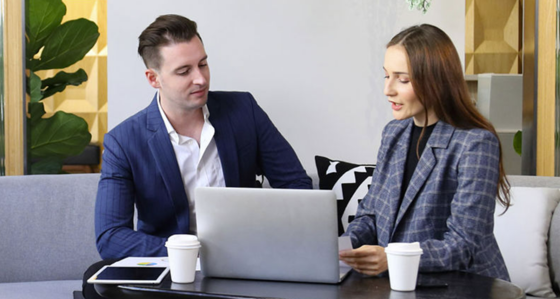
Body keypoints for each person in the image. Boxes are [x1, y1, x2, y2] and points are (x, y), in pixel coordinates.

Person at [83, 14, 311, 298]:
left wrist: (266, 241)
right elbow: (110, 235)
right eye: (184, 71)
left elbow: (297, 188)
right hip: (172, 267)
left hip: (247, 260)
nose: (200, 78)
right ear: (154, 78)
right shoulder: (124, 141)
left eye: (203, 63)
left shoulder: (244, 110)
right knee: (94, 281)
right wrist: (190, 252)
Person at [339, 24, 511, 281]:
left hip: (465, 287)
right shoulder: (393, 133)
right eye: (387, 76)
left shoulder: (475, 143)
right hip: (401, 285)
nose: (388, 89)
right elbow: (371, 215)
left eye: (403, 79)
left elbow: (463, 246)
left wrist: (390, 257)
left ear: (436, 80)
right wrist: (342, 247)